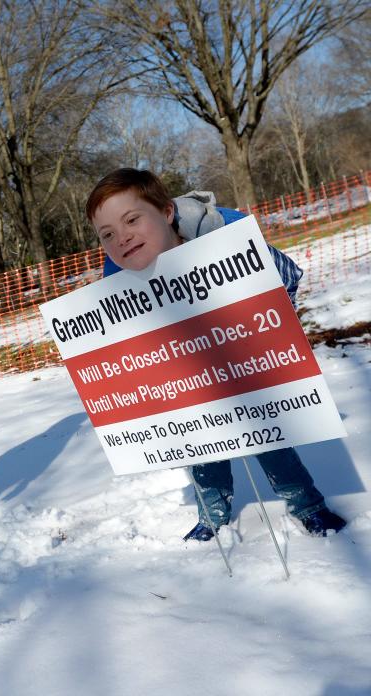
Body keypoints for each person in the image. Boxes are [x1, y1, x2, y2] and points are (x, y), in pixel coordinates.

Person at [85, 168, 347, 541]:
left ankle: (307, 505)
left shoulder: (223, 240)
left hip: (243, 368)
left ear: (167, 212)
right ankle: (212, 516)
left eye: (131, 220)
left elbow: (287, 275)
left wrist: (268, 333)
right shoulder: (119, 279)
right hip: (185, 380)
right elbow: (123, 341)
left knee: (269, 438)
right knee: (199, 446)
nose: (121, 237)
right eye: (107, 234)